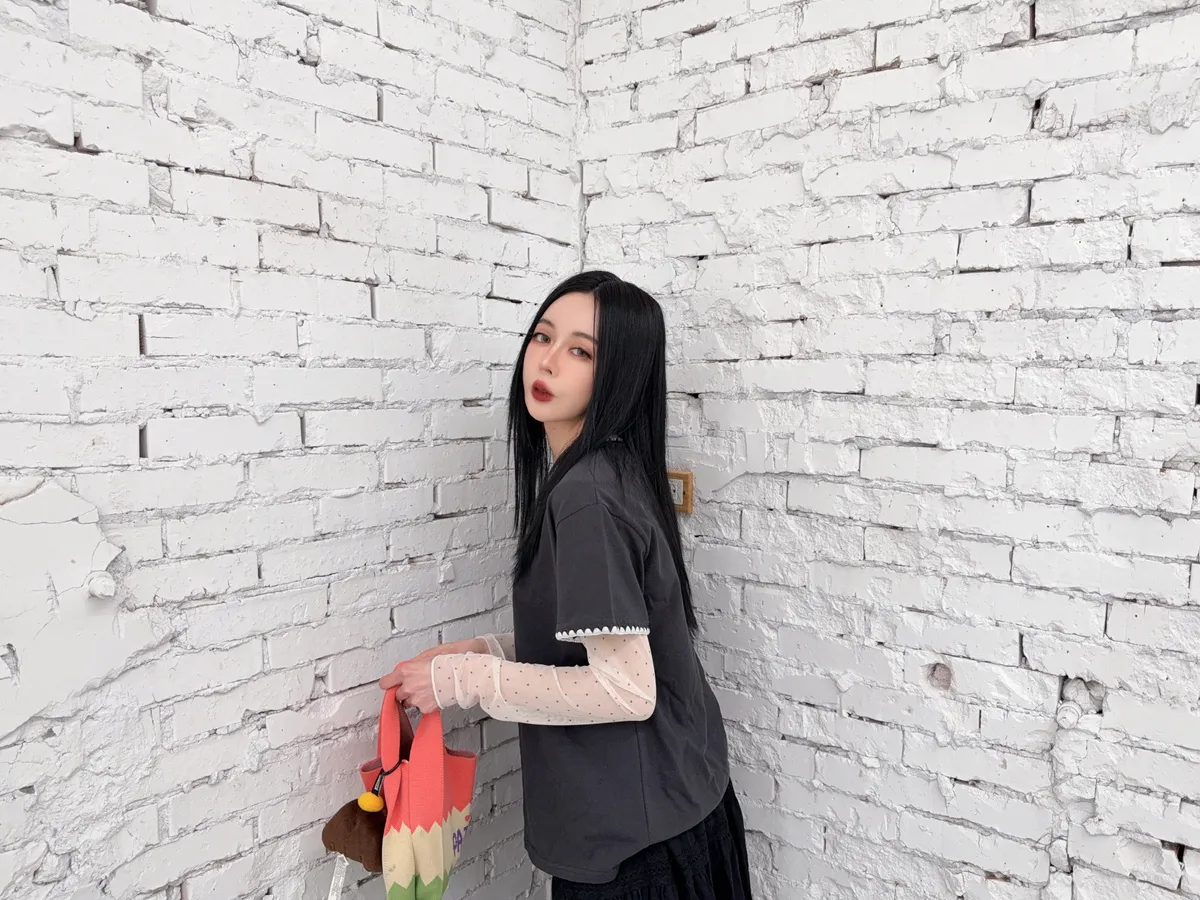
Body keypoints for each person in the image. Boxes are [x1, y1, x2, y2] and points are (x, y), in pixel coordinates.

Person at [379, 271, 752, 900]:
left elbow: (626, 689)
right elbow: (610, 638)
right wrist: (486, 650)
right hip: (684, 801)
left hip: (636, 845)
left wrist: (462, 681)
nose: (547, 361)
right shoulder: (613, 469)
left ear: (620, 374)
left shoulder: (586, 496)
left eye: (581, 351)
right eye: (542, 337)